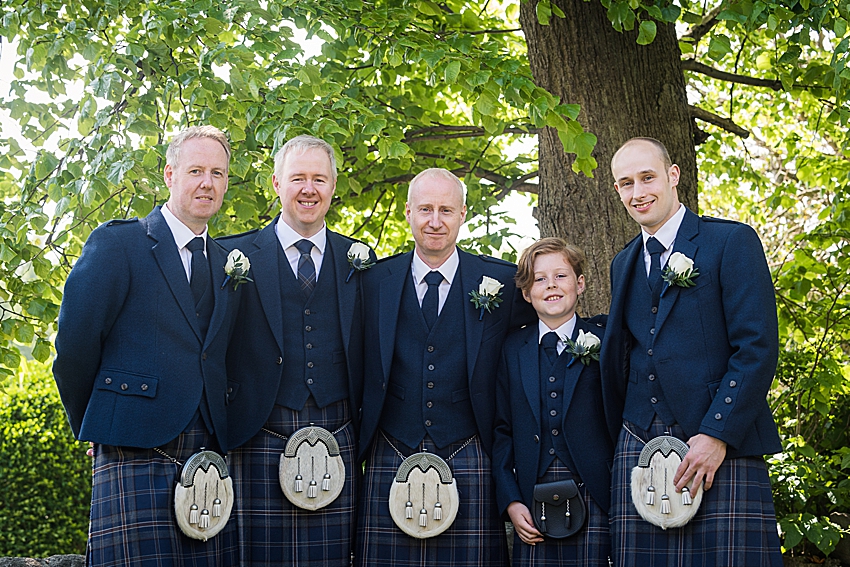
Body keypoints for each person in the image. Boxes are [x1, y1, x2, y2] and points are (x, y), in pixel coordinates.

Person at [53, 125, 240, 565]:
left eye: (218, 173)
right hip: (131, 446)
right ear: (170, 174)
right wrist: (99, 425)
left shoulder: (226, 263)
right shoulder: (119, 243)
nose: (207, 183)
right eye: (196, 170)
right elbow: (74, 350)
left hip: (207, 453)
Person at [600, 137, 784, 566]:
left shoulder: (730, 242)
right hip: (638, 444)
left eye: (647, 178)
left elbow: (756, 346)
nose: (638, 192)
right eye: (626, 183)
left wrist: (718, 433)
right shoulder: (623, 263)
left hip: (718, 445)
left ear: (673, 176)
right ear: (617, 192)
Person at [355, 168, 536, 567]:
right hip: (391, 447)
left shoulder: (501, 282)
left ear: (463, 214)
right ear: (407, 212)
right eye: (425, 209)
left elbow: (547, 325)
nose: (435, 221)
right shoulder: (373, 282)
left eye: (446, 210)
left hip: (470, 449)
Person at [221, 134, 374, 567]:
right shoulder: (232, 255)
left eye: (320, 179)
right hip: (258, 433)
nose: (309, 189)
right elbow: (204, 350)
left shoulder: (359, 260)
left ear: (333, 187)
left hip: (338, 434)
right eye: (298, 178)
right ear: (276, 183)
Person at [492, 237, 612, 566]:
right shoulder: (511, 349)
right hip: (532, 497)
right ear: (527, 293)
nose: (551, 286)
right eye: (539, 279)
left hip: (597, 494)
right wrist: (511, 501)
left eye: (560, 276)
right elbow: (501, 431)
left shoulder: (605, 342)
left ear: (580, 283)